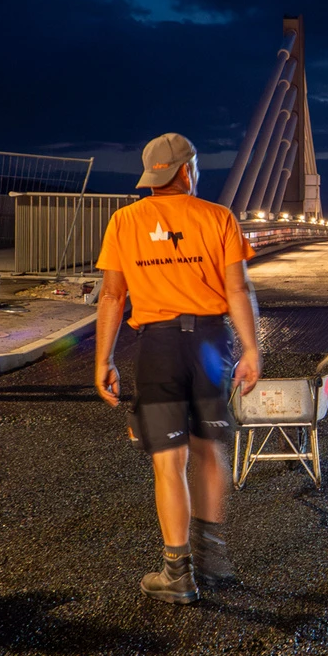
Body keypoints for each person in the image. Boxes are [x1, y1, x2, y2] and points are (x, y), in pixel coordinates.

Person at [93, 133, 262, 604]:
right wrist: (251, 349)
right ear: (187, 171)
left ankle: (177, 573)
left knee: (170, 462)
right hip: (210, 344)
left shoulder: (124, 221)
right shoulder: (218, 217)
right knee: (209, 448)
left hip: (158, 347)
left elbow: (112, 295)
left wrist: (104, 360)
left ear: (154, 176)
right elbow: (237, 291)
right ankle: (214, 555)